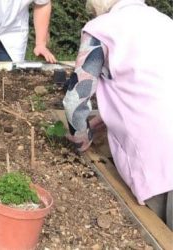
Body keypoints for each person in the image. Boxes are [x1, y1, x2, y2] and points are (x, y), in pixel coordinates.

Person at [63, 0, 173, 230]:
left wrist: (81, 136)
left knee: (160, 230)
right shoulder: (164, 22)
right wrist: (104, 119)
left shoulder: (102, 28)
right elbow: (152, 88)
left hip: (158, 154)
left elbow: (75, 98)